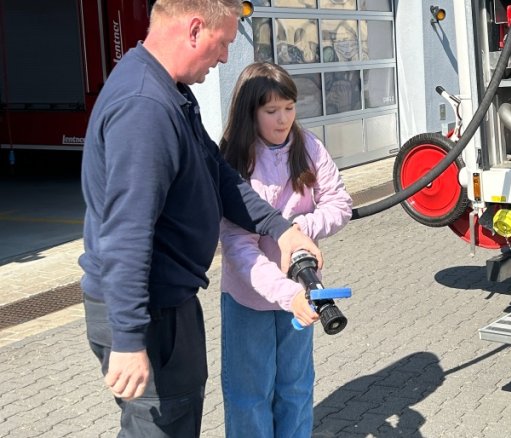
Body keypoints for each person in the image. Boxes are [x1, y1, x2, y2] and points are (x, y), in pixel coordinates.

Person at [79, 1, 322, 436]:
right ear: (194, 29)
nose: (226, 56)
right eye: (223, 42)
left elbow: (218, 174)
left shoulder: (171, 92)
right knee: (160, 427)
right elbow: (126, 232)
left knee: (180, 415)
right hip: (148, 313)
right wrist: (131, 338)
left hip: (170, 302)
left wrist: (280, 230)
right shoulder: (144, 108)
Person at [218, 62, 352, 437]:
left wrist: (300, 229)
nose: (283, 121)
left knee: (295, 389)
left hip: (305, 293)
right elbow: (237, 246)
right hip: (250, 300)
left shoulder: (308, 146)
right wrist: (285, 292)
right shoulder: (234, 161)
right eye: (271, 111)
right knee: (250, 396)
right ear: (250, 112)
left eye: (290, 108)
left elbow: (340, 203)